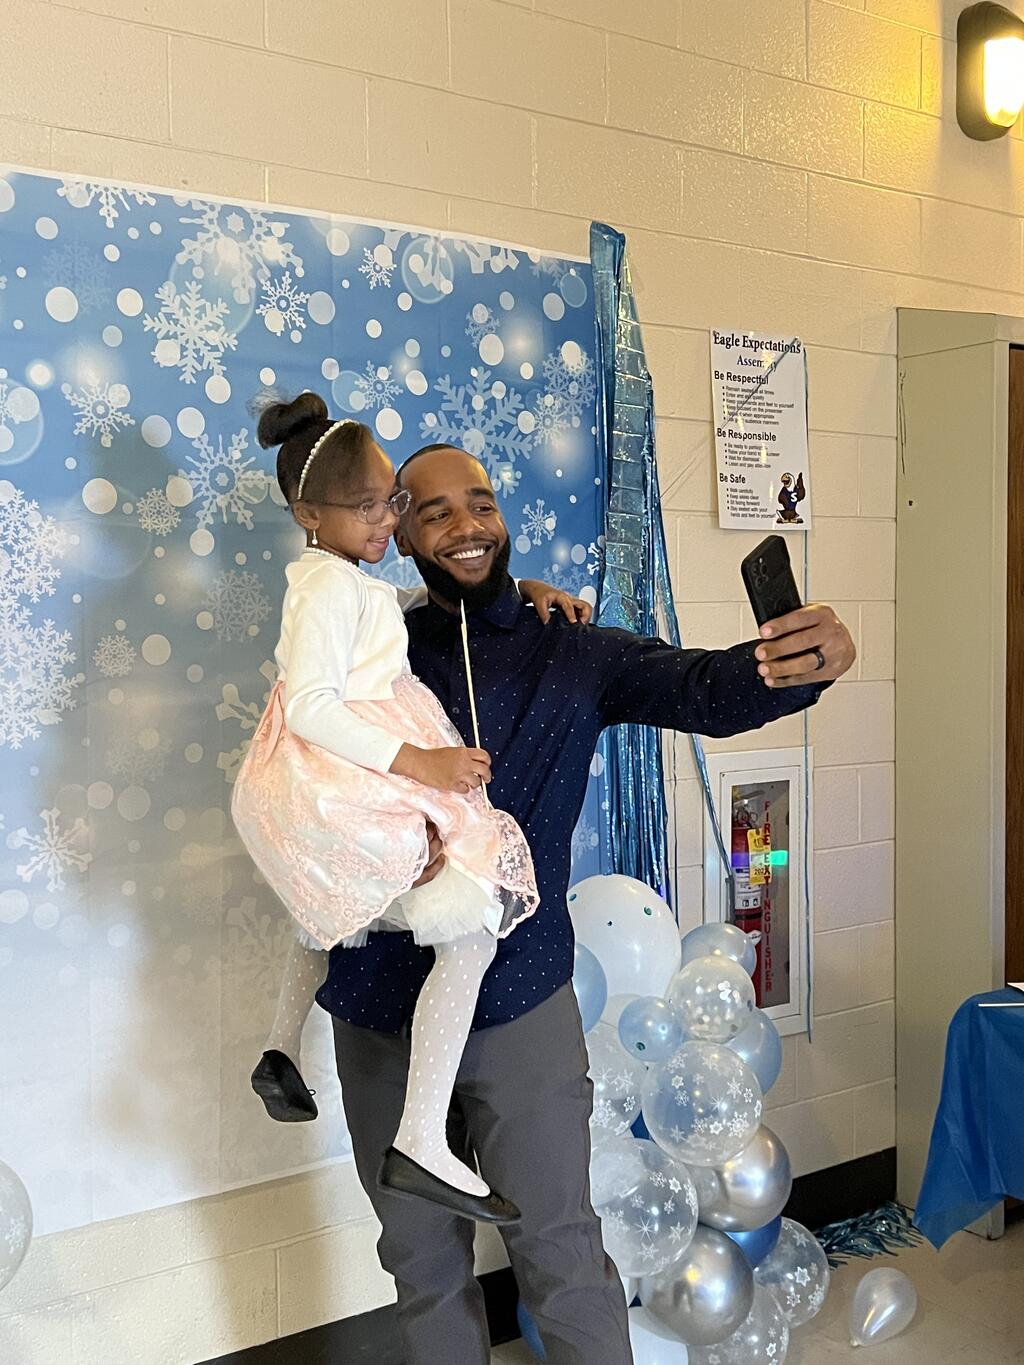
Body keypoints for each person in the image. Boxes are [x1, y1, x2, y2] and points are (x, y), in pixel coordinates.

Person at [316, 442, 857, 1365]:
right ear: (397, 532)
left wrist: (799, 663)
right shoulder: (365, 652)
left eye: (481, 503)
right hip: (378, 1008)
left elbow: (700, 687)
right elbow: (295, 760)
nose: (466, 525)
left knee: (561, 1250)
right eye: (434, 511)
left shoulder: (571, 650)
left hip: (520, 1004)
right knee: (420, 1260)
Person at [231, 393, 589, 1224]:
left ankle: (282, 1045)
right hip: (342, 769)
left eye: (390, 501)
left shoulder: (340, 581)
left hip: (326, 777)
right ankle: (421, 1133)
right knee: (471, 923)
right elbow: (312, 704)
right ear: (309, 514)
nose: (386, 521)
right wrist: (419, 761)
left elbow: (393, 612)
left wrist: (515, 590)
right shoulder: (327, 590)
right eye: (366, 507)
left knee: (333, 902)